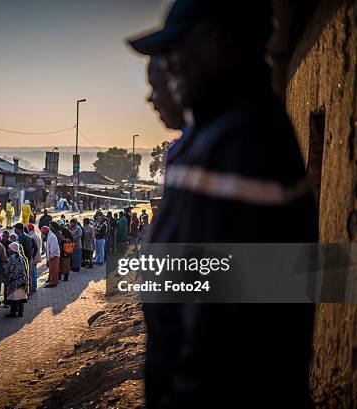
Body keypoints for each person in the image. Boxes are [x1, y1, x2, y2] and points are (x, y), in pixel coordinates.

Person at [129, 1, 317, 407]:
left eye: (178, 48)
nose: (172, 65)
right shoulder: (216, 137)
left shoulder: (244, 144)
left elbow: (227, 333)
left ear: (214, 39)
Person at [3, 242, 28, 317]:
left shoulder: (10, 258)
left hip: (14, 281)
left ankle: (13, 313)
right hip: (22, 281)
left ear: (12, 249)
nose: (8, 250)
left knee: (14, 297)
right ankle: (20, 312)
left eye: (9, 249)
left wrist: (5, 278)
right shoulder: (21, 256)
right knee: (21, 297)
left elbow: (6, 269)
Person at [44, 222, 61, 287]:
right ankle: (52, 281)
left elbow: (54, 248)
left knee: (54, 270)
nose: (50, 227)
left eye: (50, 226)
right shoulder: (50, 235)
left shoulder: (52, 236)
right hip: (52, 256)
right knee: (52, 269)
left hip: (54, 255)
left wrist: (51, 255)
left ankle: (54, 283)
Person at [27, 224, 42, 293]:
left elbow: (35, 248)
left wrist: (32, 256)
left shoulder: (32, 236)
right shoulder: (35, 235)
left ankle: (33, 287)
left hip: (34, 256)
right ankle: (34, 286)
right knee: (34, 272)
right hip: (37, 256)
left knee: (33, 272)